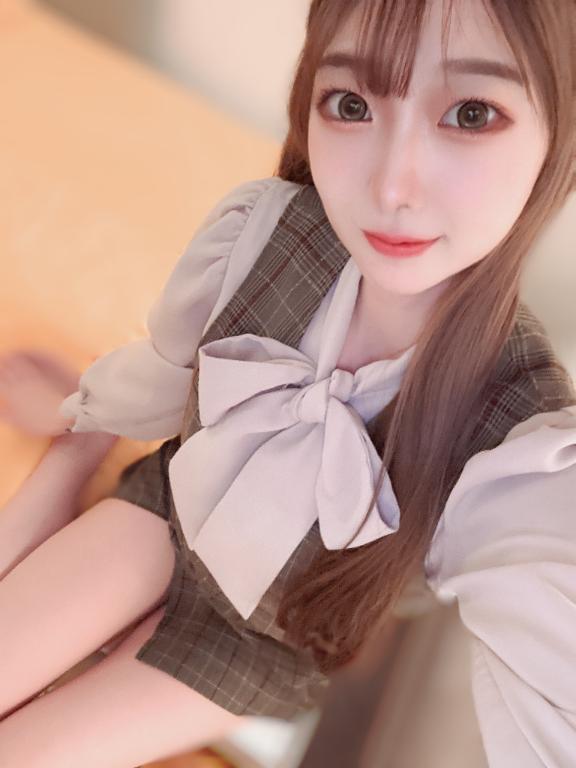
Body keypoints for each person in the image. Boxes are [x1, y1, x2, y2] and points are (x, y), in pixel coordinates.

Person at [0, 0, 575, 765]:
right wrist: (81, 409)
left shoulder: (521, 436)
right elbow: (170, 370)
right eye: (351, 105)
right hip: (169, 512)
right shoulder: (263, 229)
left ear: (558, 137)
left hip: (268, 642)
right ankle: (77, 459)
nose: (392, 186)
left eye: (472, 114)